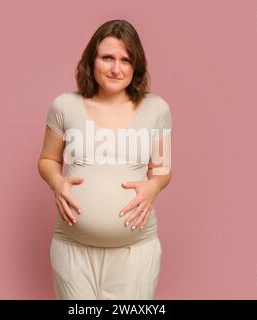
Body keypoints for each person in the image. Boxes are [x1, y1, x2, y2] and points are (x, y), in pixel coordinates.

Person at [38, 19, 172, 300]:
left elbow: (161, 171)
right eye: (107, 57)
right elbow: (48, 159)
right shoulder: (65, 106)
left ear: (136, 66)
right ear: (91, 60)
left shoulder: (156, 109)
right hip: (72, 248)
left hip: (135, 250)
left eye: (126, 60)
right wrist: (57, 182)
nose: (116, 68)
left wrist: (152, 187)